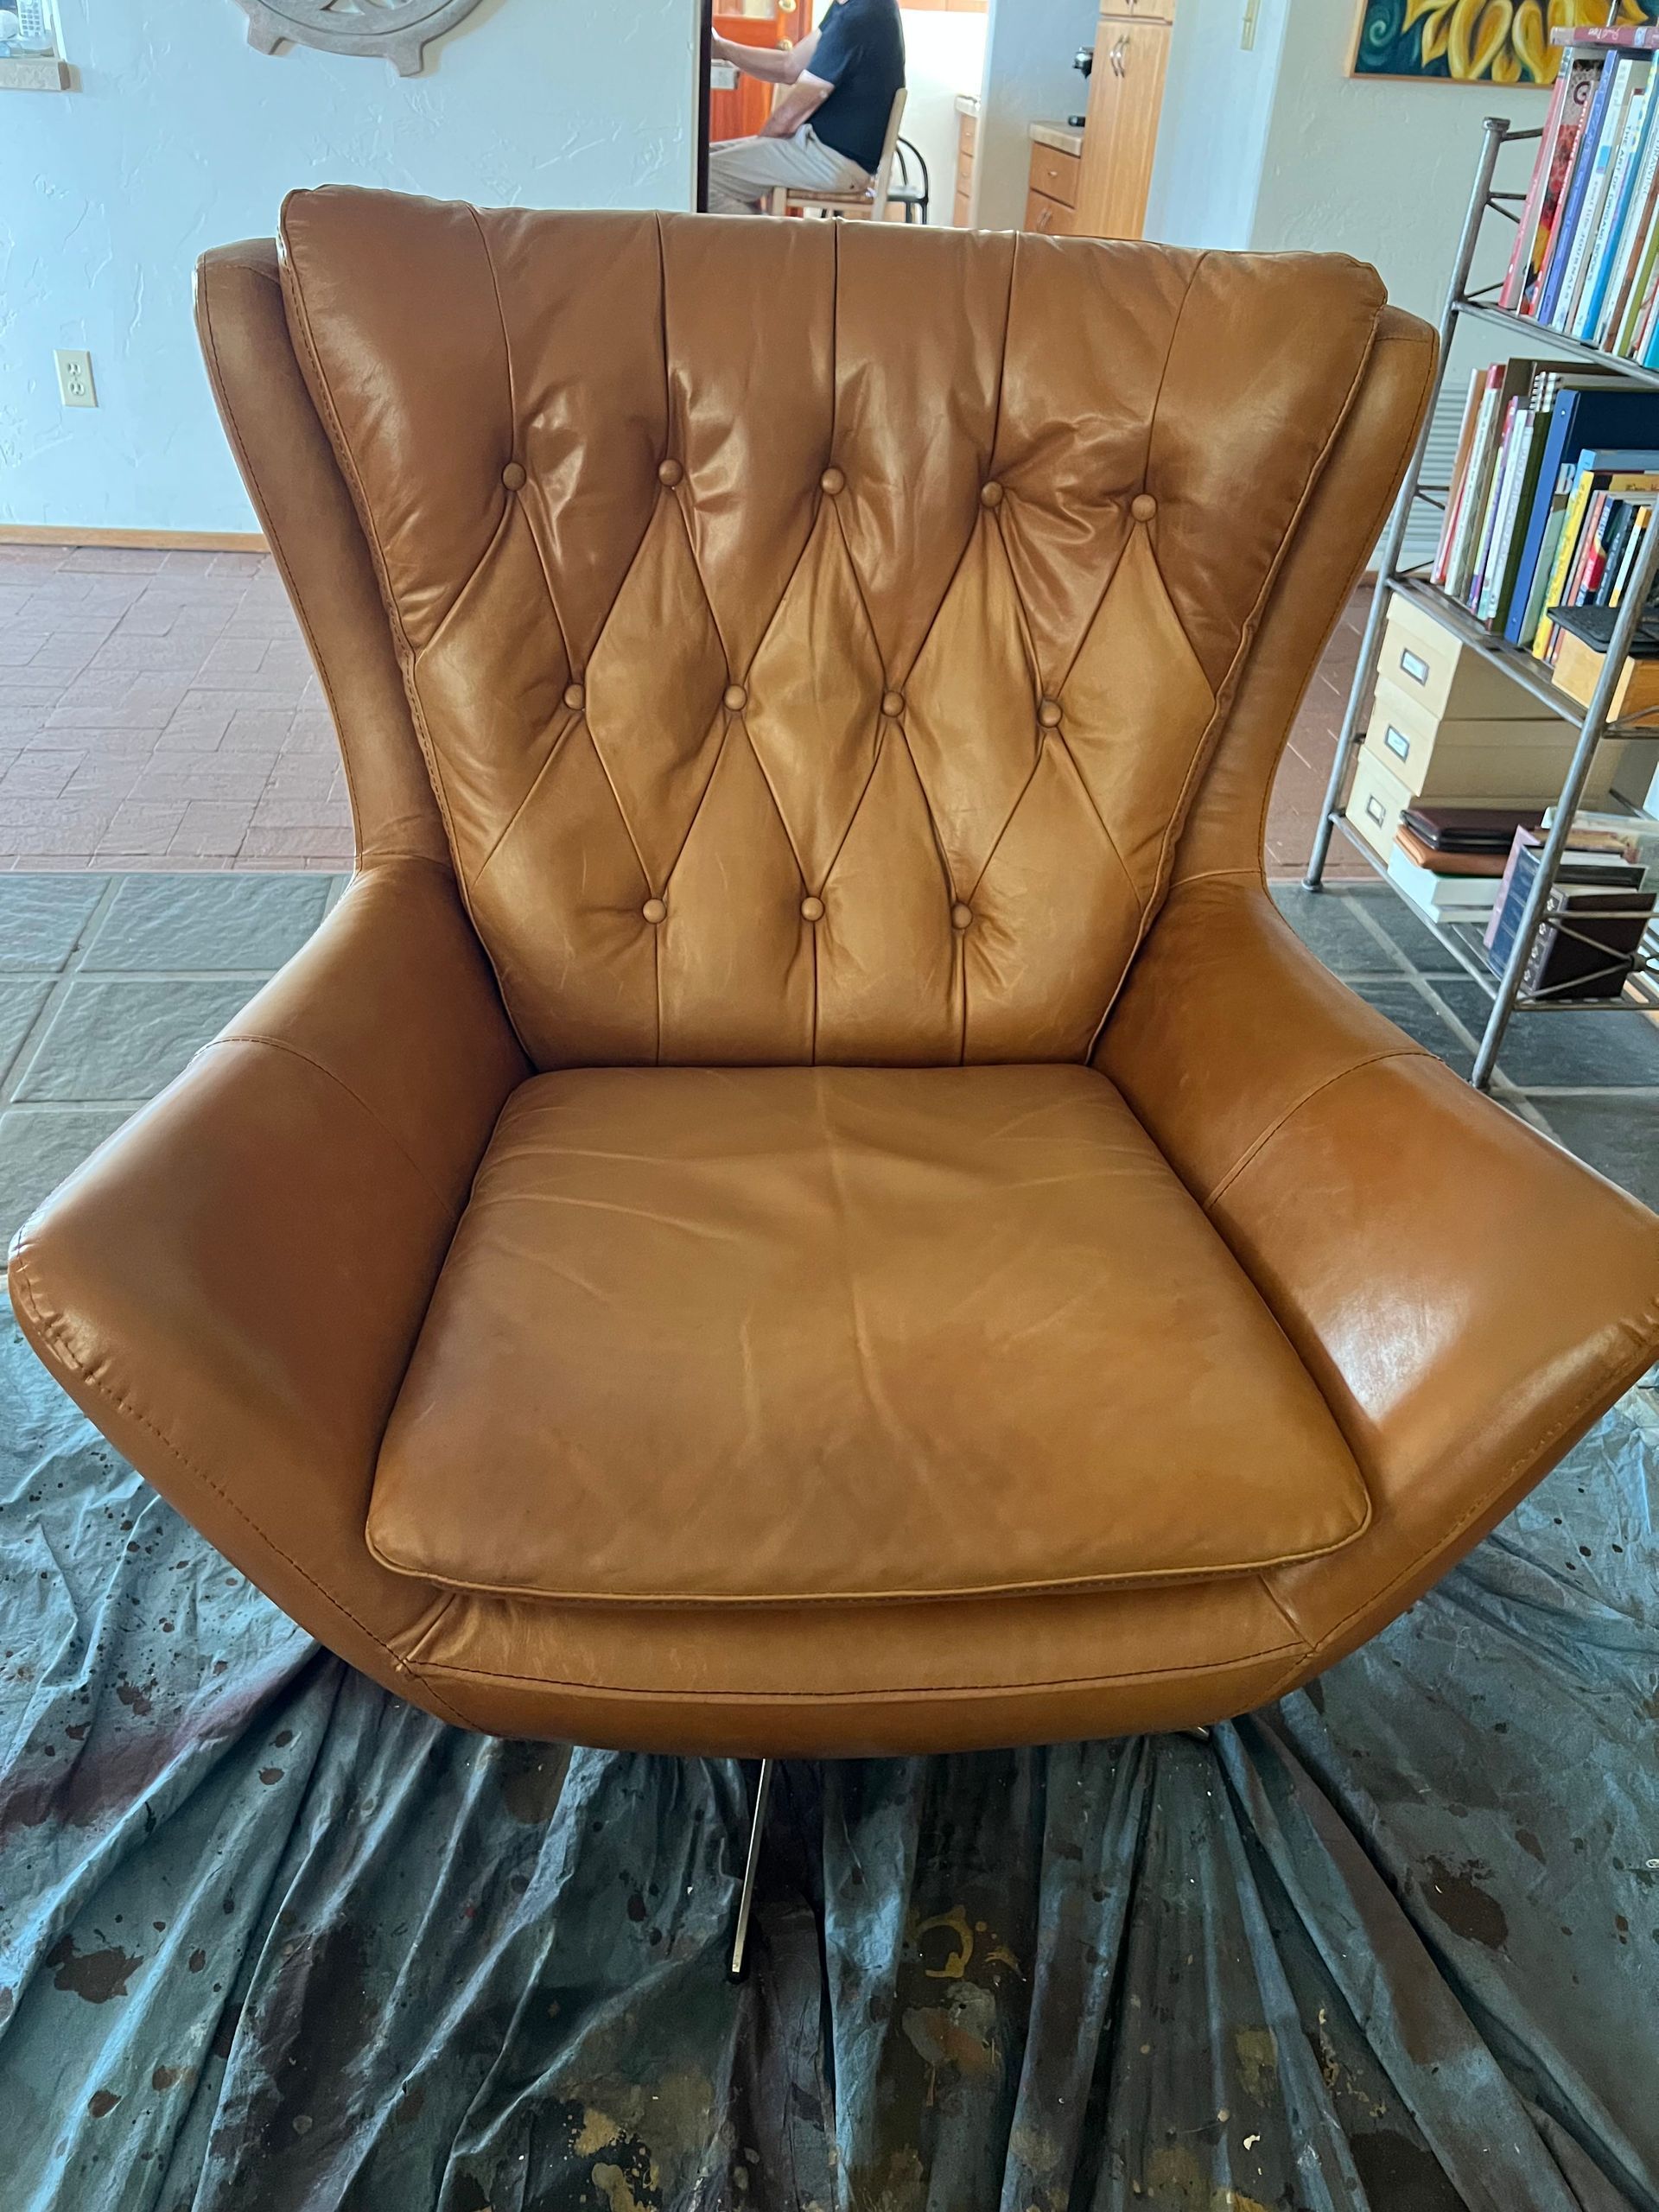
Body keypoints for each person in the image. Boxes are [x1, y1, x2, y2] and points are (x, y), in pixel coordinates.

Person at [709, 0, 905, 219]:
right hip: (818, 147)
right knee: (699, 160)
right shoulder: (852, 7)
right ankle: (768, 233)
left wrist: (756, 149)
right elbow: (789, 65)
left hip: (834, 160)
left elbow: (787, 119)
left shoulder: (858, 19)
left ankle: (775, 238)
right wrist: (722, 48)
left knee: (699, 177)